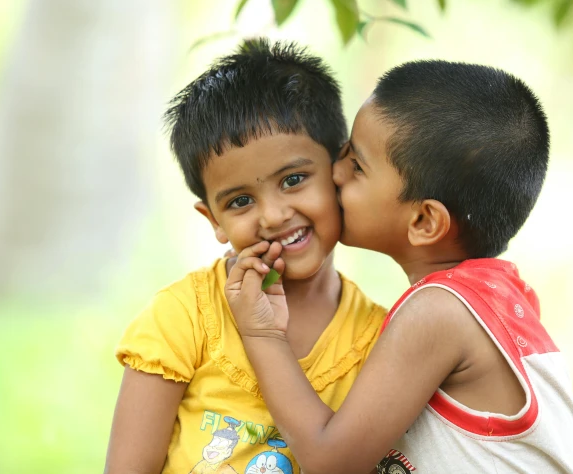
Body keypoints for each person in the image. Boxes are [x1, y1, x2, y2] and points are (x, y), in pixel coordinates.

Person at [228, 60, 573, 473]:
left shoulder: (439, 312)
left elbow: (331, 462)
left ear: (424, 221)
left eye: (356, 165)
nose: (335, 172)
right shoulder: (499, 299)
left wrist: (261, 332)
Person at [104, 39, 387, 474]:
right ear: (213, 219)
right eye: (239, 202)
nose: (273, 215)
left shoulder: (381, 341)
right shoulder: (183, 317)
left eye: (293, 179)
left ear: (339, 170)